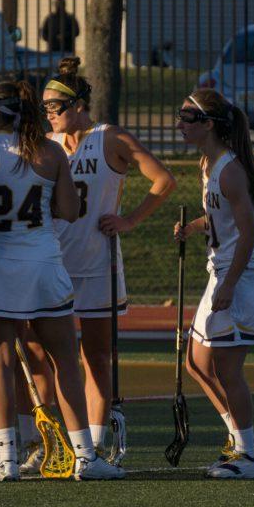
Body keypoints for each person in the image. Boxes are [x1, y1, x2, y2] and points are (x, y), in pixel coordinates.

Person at [0, 80, 125, 481]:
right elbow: (69, 210)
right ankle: (86, 457)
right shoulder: (50, 150)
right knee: (66, 362)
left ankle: (7, 461)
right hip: (43, 264)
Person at [42, 56, 176, 458]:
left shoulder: (109, 138)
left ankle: (95, 444)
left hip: (97, 264)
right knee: (48, 356)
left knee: (97, 357)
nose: (49, 114)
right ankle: (48, 439)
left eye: (56, 107)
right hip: (52, 263)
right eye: (45, 108)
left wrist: (130, 219)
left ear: (80, 105)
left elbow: (163, 180)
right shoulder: (46, 146)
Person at [173, 89, 254, 479]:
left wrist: (229, 286)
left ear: (209, 125)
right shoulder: (207, 164)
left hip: (238, 278)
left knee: (228, 369)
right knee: (196, 364)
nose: (179, 125)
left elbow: (248, 234)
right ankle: (244, 437)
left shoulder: (230, 170)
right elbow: (218, 219)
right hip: (220, 273)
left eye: (186, 118)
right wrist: (192, 227)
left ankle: (247, 457)